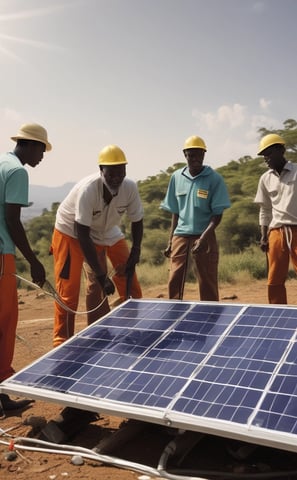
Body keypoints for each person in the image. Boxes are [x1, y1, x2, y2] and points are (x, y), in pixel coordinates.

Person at [51, 144, 143, 347]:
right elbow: (82, 234)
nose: (116, 177)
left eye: (121, 171)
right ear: (101, 170)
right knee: (71, 290)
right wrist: (102, 275)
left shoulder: (129, 188)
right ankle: (63, 343)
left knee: (130, 279)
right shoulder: (88, 190)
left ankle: (135, 327)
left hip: (108, 231)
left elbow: (137, 221)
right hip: (72, 232)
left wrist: (136, 251)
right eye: (111, 172)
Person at [0, 123, 51, 412]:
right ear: (30, 145)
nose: (42, 157)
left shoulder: (1, 163)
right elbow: (12, 220)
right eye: (41, 149)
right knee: (5, 323)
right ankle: (2, 395)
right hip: (1, 254)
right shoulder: (18, 170)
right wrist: (34, 262)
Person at [160, 135, 230, 301]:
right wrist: (170, 241)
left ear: (204, 155)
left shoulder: (214, 179)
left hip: (205, 234)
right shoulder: (176, 177)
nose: (195, 158)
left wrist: (204, 238)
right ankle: (174, 312)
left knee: (207, 279)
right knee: (175, 278)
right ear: (185, 155)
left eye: (199, 154)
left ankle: (210, 315)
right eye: (191, 155)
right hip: (181, 235)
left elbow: (217, 214)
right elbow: (175, 212)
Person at [254, 133, 297, 304]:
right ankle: (278, 313)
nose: (266, 158)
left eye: (269, 153)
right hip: (276, 232)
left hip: (296, 229)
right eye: (263, 155)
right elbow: (264, 209)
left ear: (281, 150)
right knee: (274, 279)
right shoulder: (265, 179)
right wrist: (264, 236)